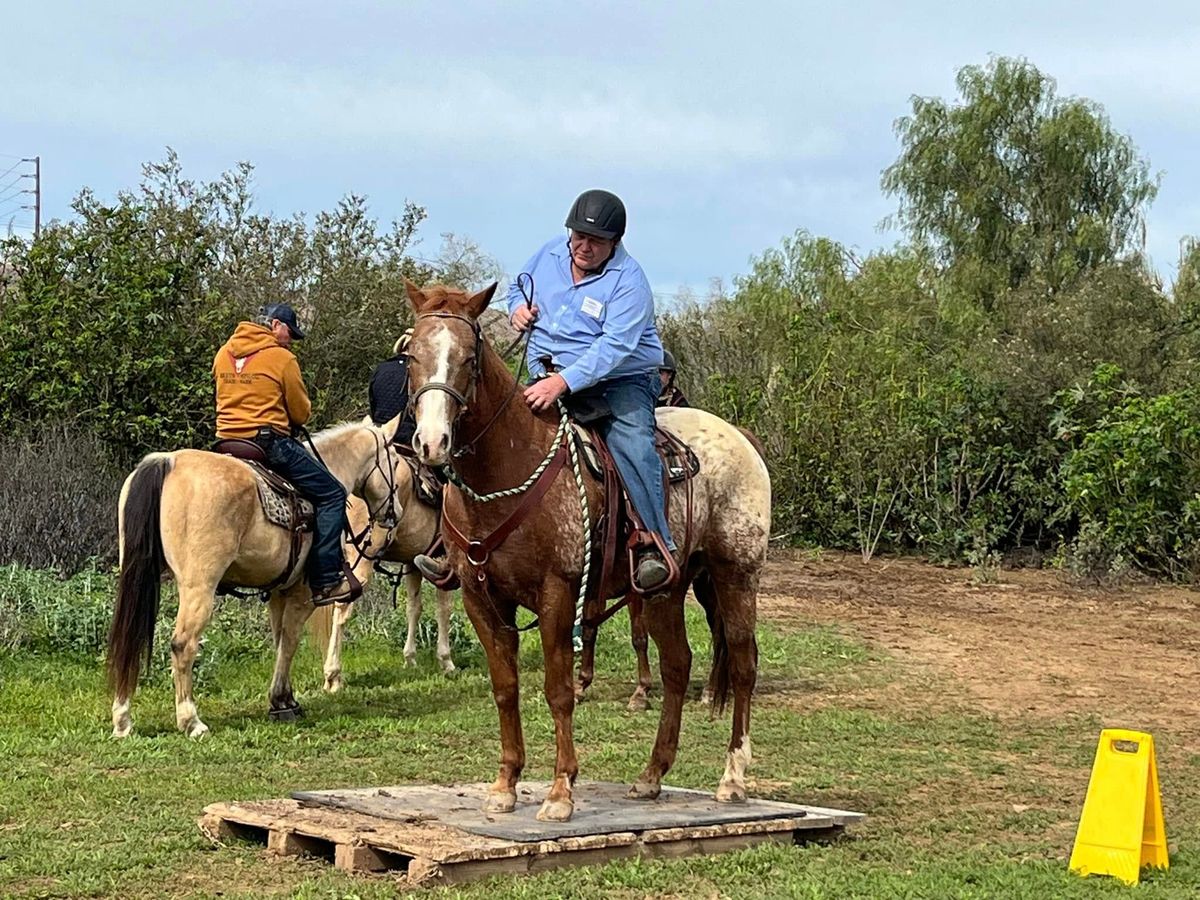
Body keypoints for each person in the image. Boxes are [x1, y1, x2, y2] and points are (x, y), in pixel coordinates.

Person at [417, 189, 675, 591]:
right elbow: (520, 287)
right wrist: (519, 309)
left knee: (634, 445)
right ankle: (452, 542)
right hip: (548, 375)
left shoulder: (630, 282)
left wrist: (562, 382)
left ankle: (651, 544)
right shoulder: (553, 253)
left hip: (618, 382)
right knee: (483, 434)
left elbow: (615, 347)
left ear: (615, 243)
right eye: (578, 237)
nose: (583, 247)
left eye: (595, 241)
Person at [213, 303, 358, 605]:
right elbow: (301, 413)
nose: (290, 338)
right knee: (332, 494)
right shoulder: (282, 358)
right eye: (290, 331)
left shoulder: (223, 353)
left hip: (225, 443)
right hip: (269, 445)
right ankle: (326, 580)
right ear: (275, 324)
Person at [368, 329, 418, 450]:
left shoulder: (381, 368)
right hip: (408, 438)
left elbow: (372, 402)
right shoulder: (420, 373)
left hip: (379, 434)